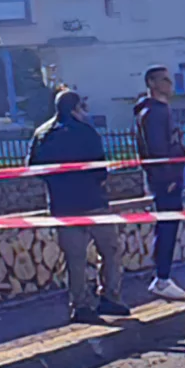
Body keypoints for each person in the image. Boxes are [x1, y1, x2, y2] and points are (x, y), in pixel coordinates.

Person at [29, 90, 131, 325]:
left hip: (62, 205)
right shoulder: (86, 131)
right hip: (92, 202)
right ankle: (110, 297)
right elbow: (100, 170)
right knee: (110, 250)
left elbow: (33, 169)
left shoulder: (42, 134)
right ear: (75, 108)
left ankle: (80, 306)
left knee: (75, 258)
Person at [134, 66, 185, 301]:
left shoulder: (156, 111)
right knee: (167, 226)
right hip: (166, 180)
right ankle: (162, 278)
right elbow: (157, 151)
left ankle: (163, 277)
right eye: (165, 80)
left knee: (167, 226)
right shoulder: (153, 113)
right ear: (152, 83)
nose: (170, 84)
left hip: (167, 178)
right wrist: (168, 178)